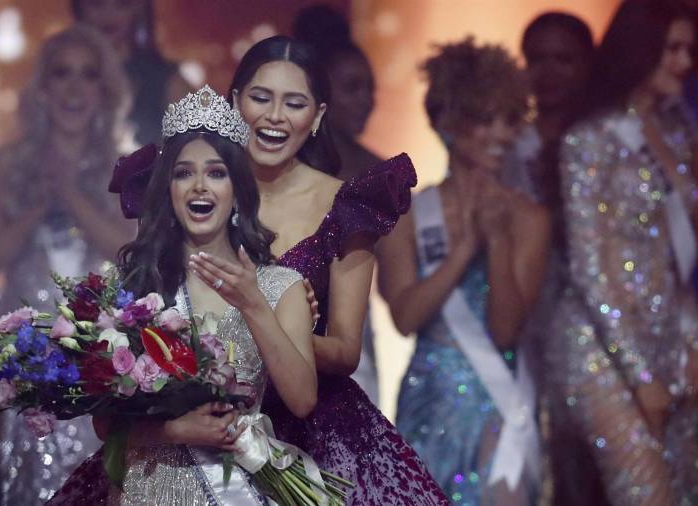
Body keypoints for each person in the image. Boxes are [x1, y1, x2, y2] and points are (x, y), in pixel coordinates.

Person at [51, 86, 318, 505]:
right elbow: (104, 425)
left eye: (216, 173)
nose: (199, 187)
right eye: (183, 173)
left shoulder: (280, 286)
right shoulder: (133, 286)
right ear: (168, 190)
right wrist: (176, 430)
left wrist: (252, 303)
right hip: (146, 489)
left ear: (237, 190)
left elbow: (302, 400)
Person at [225, 36, 447, 504]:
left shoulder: (346, 205)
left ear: (317, 117)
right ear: (236, 101)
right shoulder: (198, 192)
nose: (275, 116)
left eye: (294, 104)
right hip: (207, 418)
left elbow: (346, 349)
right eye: (261, 98)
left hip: (312, 433)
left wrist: (263, 328)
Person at [378, 38, 550, 504]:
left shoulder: (530, 218)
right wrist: (463, 251)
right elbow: (405, 318)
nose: (503, 134)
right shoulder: (406, 217)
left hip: (500, 407)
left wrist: (497, 242)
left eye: (510, 120)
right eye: (487, 119)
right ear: (450, 122)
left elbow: (506, 331)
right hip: (428, 400)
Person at [0, 26, 132, 505]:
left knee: (91, 485)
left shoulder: (122, 166)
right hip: (17, 348)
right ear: (43, 87)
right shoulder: (8, 163)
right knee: (17, 485)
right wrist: (39, 203)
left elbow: (128, 252)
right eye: (62, 74)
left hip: (95, 350)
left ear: (103, 90)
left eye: (88, 75)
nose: (74, 88)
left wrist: (71, 194)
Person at [547, 0, 698, 502]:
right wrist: (642, 376)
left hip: (668, 333)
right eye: (672, 49)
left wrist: (690, 341)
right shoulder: (589, 139)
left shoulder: (680, 132)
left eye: (689, 50)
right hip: (600, 346)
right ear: (640, 50)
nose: (685, 62)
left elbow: (677, 261)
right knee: (647, 492)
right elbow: (589, 269)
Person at [512, 12, 606, 505]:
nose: (547, 72)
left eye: (563, 59)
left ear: (589, 64)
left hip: (603, 329)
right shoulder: (505, 146)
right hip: (524, 326)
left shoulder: (608, 144)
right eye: (536, 59)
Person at [293, 3, 382, 407]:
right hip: (271, 336)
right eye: (352, 88)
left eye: (370, 89)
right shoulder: (274, 168)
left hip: (350, 344)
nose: (366, 101)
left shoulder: (379, 174)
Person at [69, 0, 191, 146]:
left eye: (122, 4)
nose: (108, 15)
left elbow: (200, 146)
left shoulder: (166, 80)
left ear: (138, 9)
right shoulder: (61, 76)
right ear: (80, 7)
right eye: (97, 3)